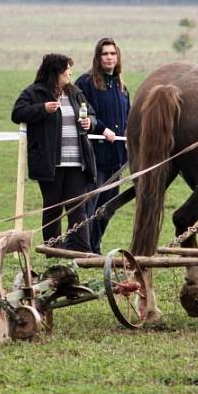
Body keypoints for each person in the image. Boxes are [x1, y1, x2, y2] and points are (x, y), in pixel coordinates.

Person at [11, 54, 97, 253]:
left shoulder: (75, 93)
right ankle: (53, 250)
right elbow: (17, 113)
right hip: (51, 163)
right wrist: (42, 109)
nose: (70, 72)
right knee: (53, 208)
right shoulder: (34, 92)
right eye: (67, 69)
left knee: (78, 208)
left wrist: (89, 122)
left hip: (77, 162)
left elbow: (90, 113)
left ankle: (82, 251)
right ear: (55, 71)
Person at [76, 38, 130, 254]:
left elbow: (128, 116)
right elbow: (83, 113)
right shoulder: (85, 83)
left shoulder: (121, 86)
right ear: (98, 58)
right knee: (90, 206)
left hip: (117, 157)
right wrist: (101, 129)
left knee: (108, 208)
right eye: (105, 54)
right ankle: (83, 248)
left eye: (112, 54)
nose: (109, 57)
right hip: (95, 157)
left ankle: (95, 246)